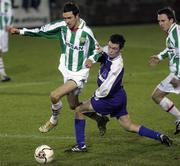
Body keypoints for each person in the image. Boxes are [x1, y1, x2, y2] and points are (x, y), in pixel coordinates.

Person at [9, 1, 109, 135]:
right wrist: (20, 32)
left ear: (77, 16)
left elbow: (98, 50)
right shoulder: (62, 27)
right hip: (66, 70)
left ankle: (53, 120)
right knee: (74, 106)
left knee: (54, 96)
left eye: (69, 18)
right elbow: (41, 31)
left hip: (79, 74)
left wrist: (91, 59)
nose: (67, 21)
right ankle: (100, 118)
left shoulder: (86, 32)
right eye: (65, 18)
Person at [65, 34, 173, 153]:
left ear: (120, 49)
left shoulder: (116, 66)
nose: (110, 50)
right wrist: (91, 57)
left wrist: (94, 96)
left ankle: (81, 145)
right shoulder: (108, 49)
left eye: (114, 49)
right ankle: (160, 136)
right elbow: (99, 50)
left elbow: (106, 90)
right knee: (129, 126)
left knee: (79, 109)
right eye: (110, 46)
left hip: (109, 98)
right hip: (120, 96)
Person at [149, 7, 180, 135]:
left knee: (157, 95)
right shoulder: (173, 32)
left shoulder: (176, 34)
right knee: (157, 95)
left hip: (177, 74)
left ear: (171, 20)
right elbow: (171, 49)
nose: (161, 24)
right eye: (159, 21)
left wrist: (177, 76)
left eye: (163, 20)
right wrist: (160, 56)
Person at [0, 0, 13, 82]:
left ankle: (3, 74)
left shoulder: (6, 2)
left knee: (1, 51)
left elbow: (10, 15)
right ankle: (3, 74)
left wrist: (9, 26)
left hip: (2, 31)